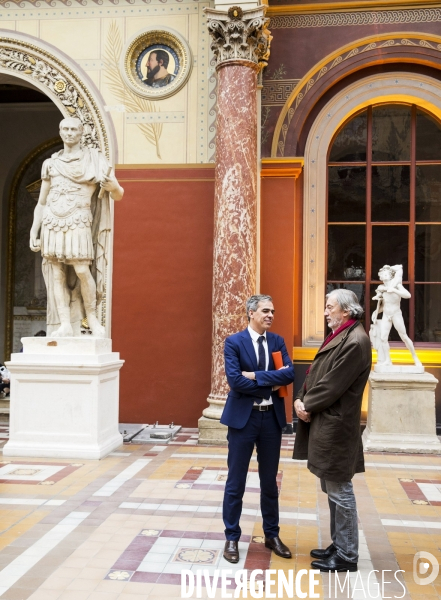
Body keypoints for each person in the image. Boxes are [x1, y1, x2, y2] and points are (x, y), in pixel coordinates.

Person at [293, 289, 372, 572]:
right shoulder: (343, 335)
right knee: (331, 487)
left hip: (336, 426)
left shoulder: (355, 341)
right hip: (327, 421)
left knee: (340, 490)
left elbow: (332, 384)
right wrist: (301, 397)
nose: (326, 312)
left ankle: (347, 555)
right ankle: (339, 544)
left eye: (330, 307)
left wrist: (306, 404)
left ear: (346, 311)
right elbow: (316, 372)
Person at [29, 117, 124, 338]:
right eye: (65, 129)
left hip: (79, 219)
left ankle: (91, 317)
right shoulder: (50, 164)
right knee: (57, 274)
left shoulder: (94, 160)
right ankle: (64, 323)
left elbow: (118, 195)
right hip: (53, 220)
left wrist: (115, 186)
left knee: (82, 269)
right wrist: (35, 230)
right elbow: (42, 202)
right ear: (60, 132)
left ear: (81, 133)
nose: (69, 133)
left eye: (73, 129)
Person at [221, 294, 295, 563]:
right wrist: (269, 384)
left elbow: (289, 374)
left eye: (273, 311)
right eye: (265, 311)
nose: (270, 315)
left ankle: (271, 535)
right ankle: (231, 538)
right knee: (236, 482)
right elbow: (235, 382)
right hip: (243, 420)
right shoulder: (234, 342)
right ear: (251, 313)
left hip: (270, 421)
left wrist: (255, 376)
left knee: (269, 483)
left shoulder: (277, 341)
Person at [370, 264, 421, 367]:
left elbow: (408, 295)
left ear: (390, 276)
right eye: (381, 275)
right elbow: (382, 300)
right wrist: (377, 305)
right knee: (383, 338)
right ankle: (388, 360)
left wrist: (394, 290)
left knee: (404, 336)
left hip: (395, 314)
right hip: (386, 314)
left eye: (385, 274)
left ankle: (415, 358)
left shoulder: (397, 285)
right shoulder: (382, 287)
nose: (382, 277)